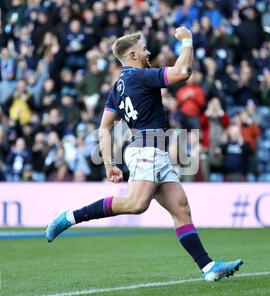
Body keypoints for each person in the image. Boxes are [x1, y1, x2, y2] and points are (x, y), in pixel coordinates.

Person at [46, 27, 243, 282]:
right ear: (132, 55)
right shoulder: (140, 77)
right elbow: (183, 72)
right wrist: (187, 41)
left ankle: (208, 268)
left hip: (154, 150)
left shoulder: (118, 86)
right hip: (146, 149)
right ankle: (70, 217)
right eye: (143, 48)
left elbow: (105, 127)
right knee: (136, 204)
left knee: (180, 208)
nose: (148, 51)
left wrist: (109, 163)